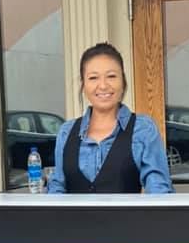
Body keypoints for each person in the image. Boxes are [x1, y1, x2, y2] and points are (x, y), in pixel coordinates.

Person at [47, 42, 173, 194]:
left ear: (123, 81)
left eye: (111, 76)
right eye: (93, 78)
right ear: (83, 85)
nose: (103, 85)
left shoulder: (143, 129)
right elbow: (56, 188)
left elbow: (159, 191)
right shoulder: (66, 132)